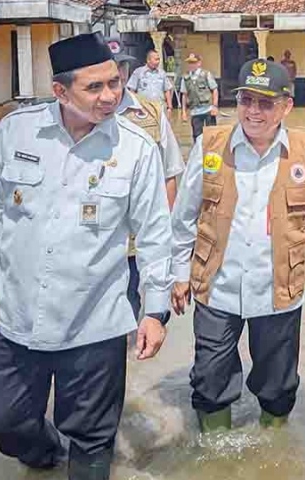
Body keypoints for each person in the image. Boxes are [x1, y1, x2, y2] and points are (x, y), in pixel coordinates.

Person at [0, 32, 173, 480]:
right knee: (6, 425)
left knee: (94, 440)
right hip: (16, 316)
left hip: (95, 323)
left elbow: (157, 234)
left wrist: (155, 311)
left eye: (114, 84)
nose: (110, 97)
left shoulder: (136, 148)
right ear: (60, 91)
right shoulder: (16, 132)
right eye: (94, 88)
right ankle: (48, 457)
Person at [170, 60, 305, 432]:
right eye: (246, 100)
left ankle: (273, 456)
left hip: (279, 289)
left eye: (265, 103)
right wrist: (179, 274)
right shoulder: (210, 144)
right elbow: (183, 217)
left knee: (278, 387)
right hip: (216, 289)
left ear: (286, 106)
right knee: (210, 383)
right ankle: (215, 464)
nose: (254, 112)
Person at [115, 51, 185, 319]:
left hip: (140, 234)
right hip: (96, 238)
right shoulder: (76, 115)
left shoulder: (151, 113)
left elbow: (169, 173)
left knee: (136, 301)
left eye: (119, 69)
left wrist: (168, 231)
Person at [180, 53, 219, 141]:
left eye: (193, 62)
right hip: (195, 111)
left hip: (208, 109)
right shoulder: (185, 77)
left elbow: (215, 90)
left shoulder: (206, 74)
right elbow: (184, 95)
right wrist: (183, 112)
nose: (191, 65)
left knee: (211, 135)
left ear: (199, 63)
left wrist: (215, 106)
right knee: (197, 136)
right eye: (189, 63)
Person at [127, 49, 174, 117]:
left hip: (160, 107)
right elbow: (131, 91)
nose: (158, 62)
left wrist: (169, 107)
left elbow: (167, 90)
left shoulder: (162, 73)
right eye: (156, 59)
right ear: (148, 60)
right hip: (144, 108)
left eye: (159, 59)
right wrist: (137, 106)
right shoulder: (138, 72)